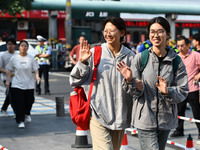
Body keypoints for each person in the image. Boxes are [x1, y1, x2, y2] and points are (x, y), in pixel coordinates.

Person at [117, 16, 189, 150]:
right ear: (149, 35)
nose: (156, 35)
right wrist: (130, 81)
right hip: (145, 118)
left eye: (160, 31)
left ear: (168, 34)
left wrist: (168, 91)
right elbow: (133, 90)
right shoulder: (141, 58)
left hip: (165, 119)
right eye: (152, 32)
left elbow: (183, 90)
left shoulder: (176, 62)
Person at [70, 17, 135, 150]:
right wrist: (81, 63)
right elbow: (74, 80)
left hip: (120, 116)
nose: (108, 34)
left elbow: (136, 88)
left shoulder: (131, 57)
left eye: (112, 30)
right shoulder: (95, 53)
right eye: (105, 31)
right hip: (98, 114)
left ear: (122, 33)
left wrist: (130, 80)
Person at [170, 36, 200, 139]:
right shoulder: (176, 57)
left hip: (193, 89)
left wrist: (199, 75)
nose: (180, 48)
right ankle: (179, 130)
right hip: (180, 90)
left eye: (182, 45)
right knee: (179, 112)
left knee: (197, 113)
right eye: (178, 46)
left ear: (188, 45)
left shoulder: (195, 55)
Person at [6, 40, 40, 128]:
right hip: (17, 84)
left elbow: (36, 69)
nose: (23, 47)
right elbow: (9, 70)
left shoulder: (31, 58)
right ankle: (20, 120)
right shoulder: (14, 58)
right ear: (19, 47)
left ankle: (27, 113)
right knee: (19, 103)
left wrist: (37, 77)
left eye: (25, 46)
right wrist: (8, 81)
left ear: (27, 48)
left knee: (30, 101)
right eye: (22, 46)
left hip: (29, 84)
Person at [0, 38, 18, 114]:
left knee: (11, 94)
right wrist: (7, 72)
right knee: (12, 94)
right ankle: (17, 112)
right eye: (8, 44)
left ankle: (4, 108)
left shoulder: (18, 54)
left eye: (11, 44)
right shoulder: (3, 55)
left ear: (15, 45)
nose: (9, 46)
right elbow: (0, 67)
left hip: (17, 78)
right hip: (6, 78)